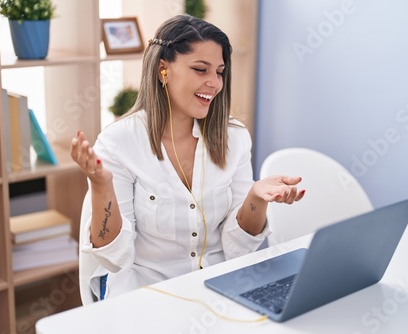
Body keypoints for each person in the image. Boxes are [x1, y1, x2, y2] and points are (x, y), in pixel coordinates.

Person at [70, 14, 305, 301]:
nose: (214, 83)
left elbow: (238, 247)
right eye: (200, 69)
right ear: (163, 70)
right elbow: (114, 257)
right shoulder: (120, 142)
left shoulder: (235, 137)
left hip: (218, 285)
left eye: (219, 72)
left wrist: (255, 196)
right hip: (148, 292)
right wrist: (101, 185)